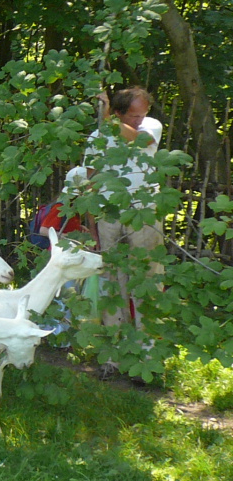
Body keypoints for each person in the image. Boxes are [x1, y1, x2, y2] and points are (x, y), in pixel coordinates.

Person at [85, 85, 164, 336]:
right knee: (111, 278)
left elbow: (140, 140)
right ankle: (115, 341)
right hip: (109, 215)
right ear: (119, 113)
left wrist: (109, 119)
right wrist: (93, 228)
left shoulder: (151, 126)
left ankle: (147, 343)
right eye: (134, 115)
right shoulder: (97, 137)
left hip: (144, 213)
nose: (140, 119)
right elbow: (91, 181)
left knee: (146, 276)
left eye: (143, 114)